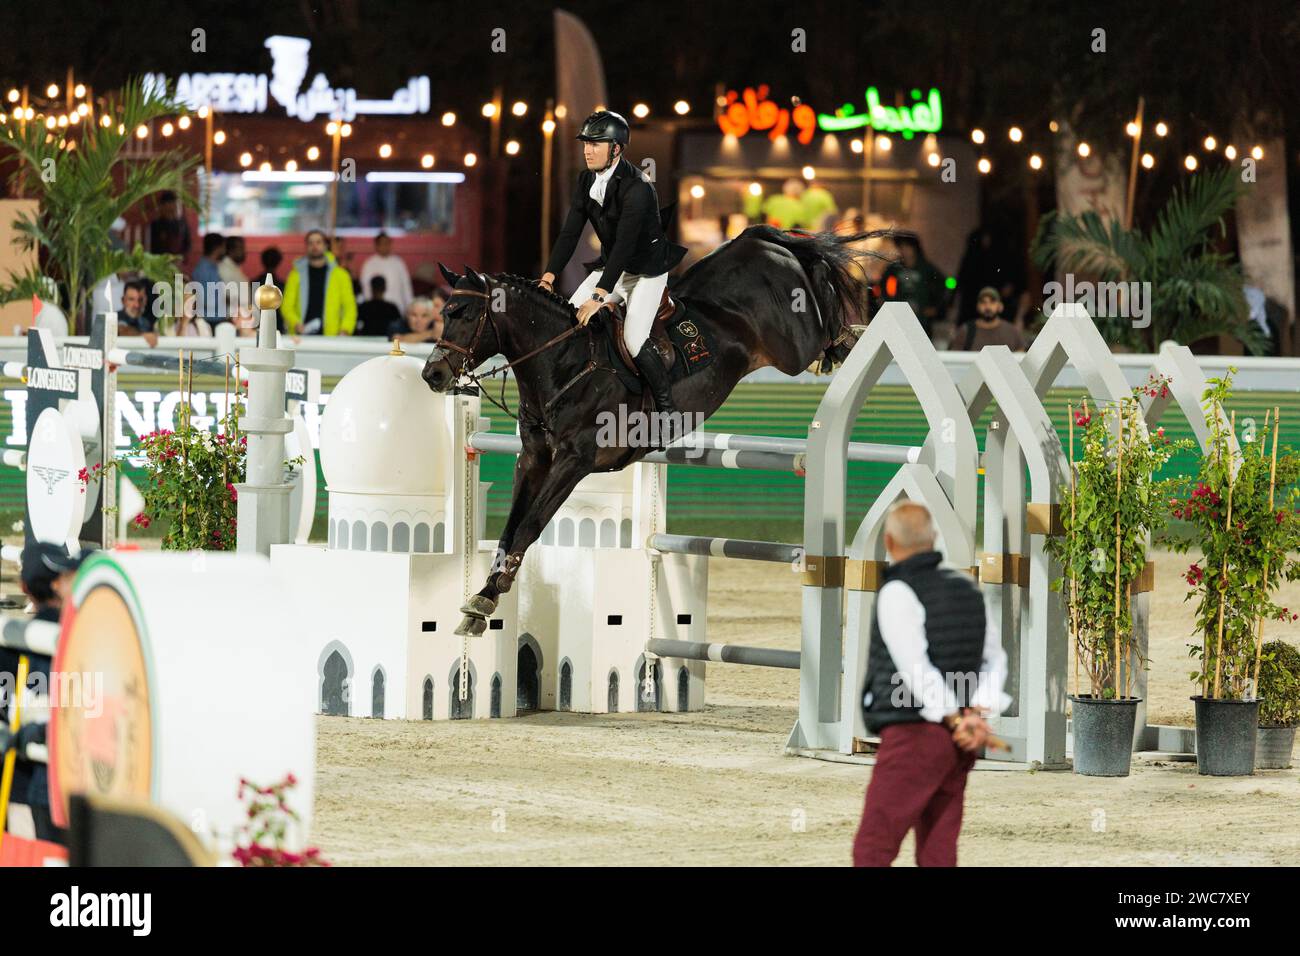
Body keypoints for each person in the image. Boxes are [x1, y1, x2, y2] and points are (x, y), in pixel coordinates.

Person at [852, 502, 1010, 867]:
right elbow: (994, 658)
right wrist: (977, 714)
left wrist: (955, 716)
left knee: (873, 846)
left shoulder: (897, 591)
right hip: (961, 741)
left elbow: (915, 668)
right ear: (934, 538)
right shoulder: (968, 587)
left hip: (914, 734)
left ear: (889, 542)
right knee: (938, 851)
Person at [538, 110, 687, 427]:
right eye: (586, 144)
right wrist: (548, 277)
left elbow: (623, 246)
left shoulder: (639, 187)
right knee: (567, 321)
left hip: (646, 271)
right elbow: (569, 233)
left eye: (596, 143)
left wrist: (599, 295)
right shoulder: (585, 180)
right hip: (614, 266)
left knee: (634, 338)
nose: (587, 150)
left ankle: (666, 405)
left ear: (616, 149)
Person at [0, 543, 90, 845]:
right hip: (75, 784)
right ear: (59, 583)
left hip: (22, 784)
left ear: (24, 587)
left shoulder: (13, 638)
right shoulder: (82, 635)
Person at [282, 229, 357, 336]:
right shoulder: (295, 274)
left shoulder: (341, 275)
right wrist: (296, 324)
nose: (314, 246)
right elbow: (287, 306)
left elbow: (350, 307)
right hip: (301, 336)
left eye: (318, 242)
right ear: (306, 247)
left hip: (332, 337)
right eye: (310, 243)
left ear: (326, 246)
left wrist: (345, 329)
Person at [880, 233, 947, 336]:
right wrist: (889, 304)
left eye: (907, 247)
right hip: (899, 315)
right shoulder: (894, 268)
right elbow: (884, 287)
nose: (904, 251)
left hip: (921, 316)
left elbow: (942, 286)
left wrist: (935, 307)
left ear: (915, 248)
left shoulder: (926, 268)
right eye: (901, 248)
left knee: (920, 341)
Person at [952, 288, 1026, 351]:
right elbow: (955, 359)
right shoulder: (966, 330)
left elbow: (1020, 358)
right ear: (977, 306)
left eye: (992, 302)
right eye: (983, 302)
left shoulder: (1012, 332)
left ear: (1000, 306)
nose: (987, 306)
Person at [359, 232, 414, 313]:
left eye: (387, 243)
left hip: (398, 307)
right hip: (377, 310)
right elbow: (366, 288)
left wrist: (410, 306)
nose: (385, 246)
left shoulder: (398, 262)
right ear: (376, 245)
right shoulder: (369, 264)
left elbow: (406, 287)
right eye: (382, 244)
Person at [192, 233, 227, 324]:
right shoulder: (203, 270)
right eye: (223, 247)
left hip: (215, 318)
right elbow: (205, 300)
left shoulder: (213, 267)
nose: (224, 250)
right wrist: (226, 300)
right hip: (209, 320)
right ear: (218, 248)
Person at [148, 190, 190, 258]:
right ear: (162, 207)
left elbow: (187, 245)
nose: (171, 208)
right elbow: (153, 248)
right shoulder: (156, 225)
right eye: (168, 205)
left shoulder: (182, 223)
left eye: (173, 204)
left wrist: (180, 257)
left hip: (178, 261)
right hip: (161, 262)